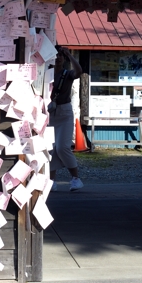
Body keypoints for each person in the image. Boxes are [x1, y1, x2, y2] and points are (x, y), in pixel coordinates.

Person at [48, 47, 83, 190]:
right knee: (51, 148)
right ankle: (51, 181)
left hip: (65, 112)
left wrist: (69, 55)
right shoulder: (46, 75)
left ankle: (76, 178)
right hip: (49, 112)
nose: (58, 58)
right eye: (55, 56)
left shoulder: (67, 74)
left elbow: (79, 71)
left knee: (62, 147)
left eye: (61, 56)